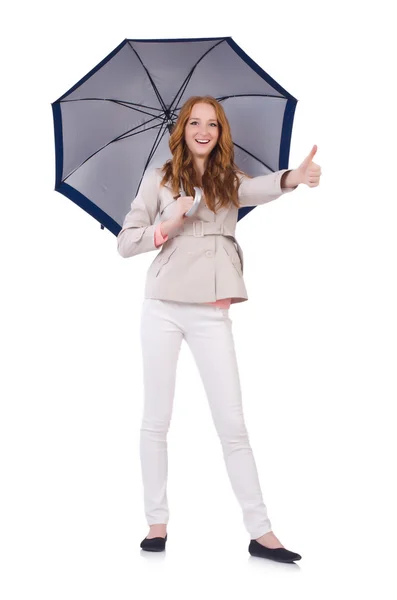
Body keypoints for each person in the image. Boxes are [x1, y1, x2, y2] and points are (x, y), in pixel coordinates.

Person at [117, 95, 322, 562]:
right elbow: (126, 243)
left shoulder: (230, 179)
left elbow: (264, 188)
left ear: (221, 131)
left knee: (232, 425)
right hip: (163, 305)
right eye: (195, 122)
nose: (203, 130)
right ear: (183, 129)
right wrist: (169, 222)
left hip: (210, 309)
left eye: (212, 123)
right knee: (156, 419)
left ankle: (262, 532)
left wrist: (294, 177)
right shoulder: (158, 179)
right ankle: (157, 524)